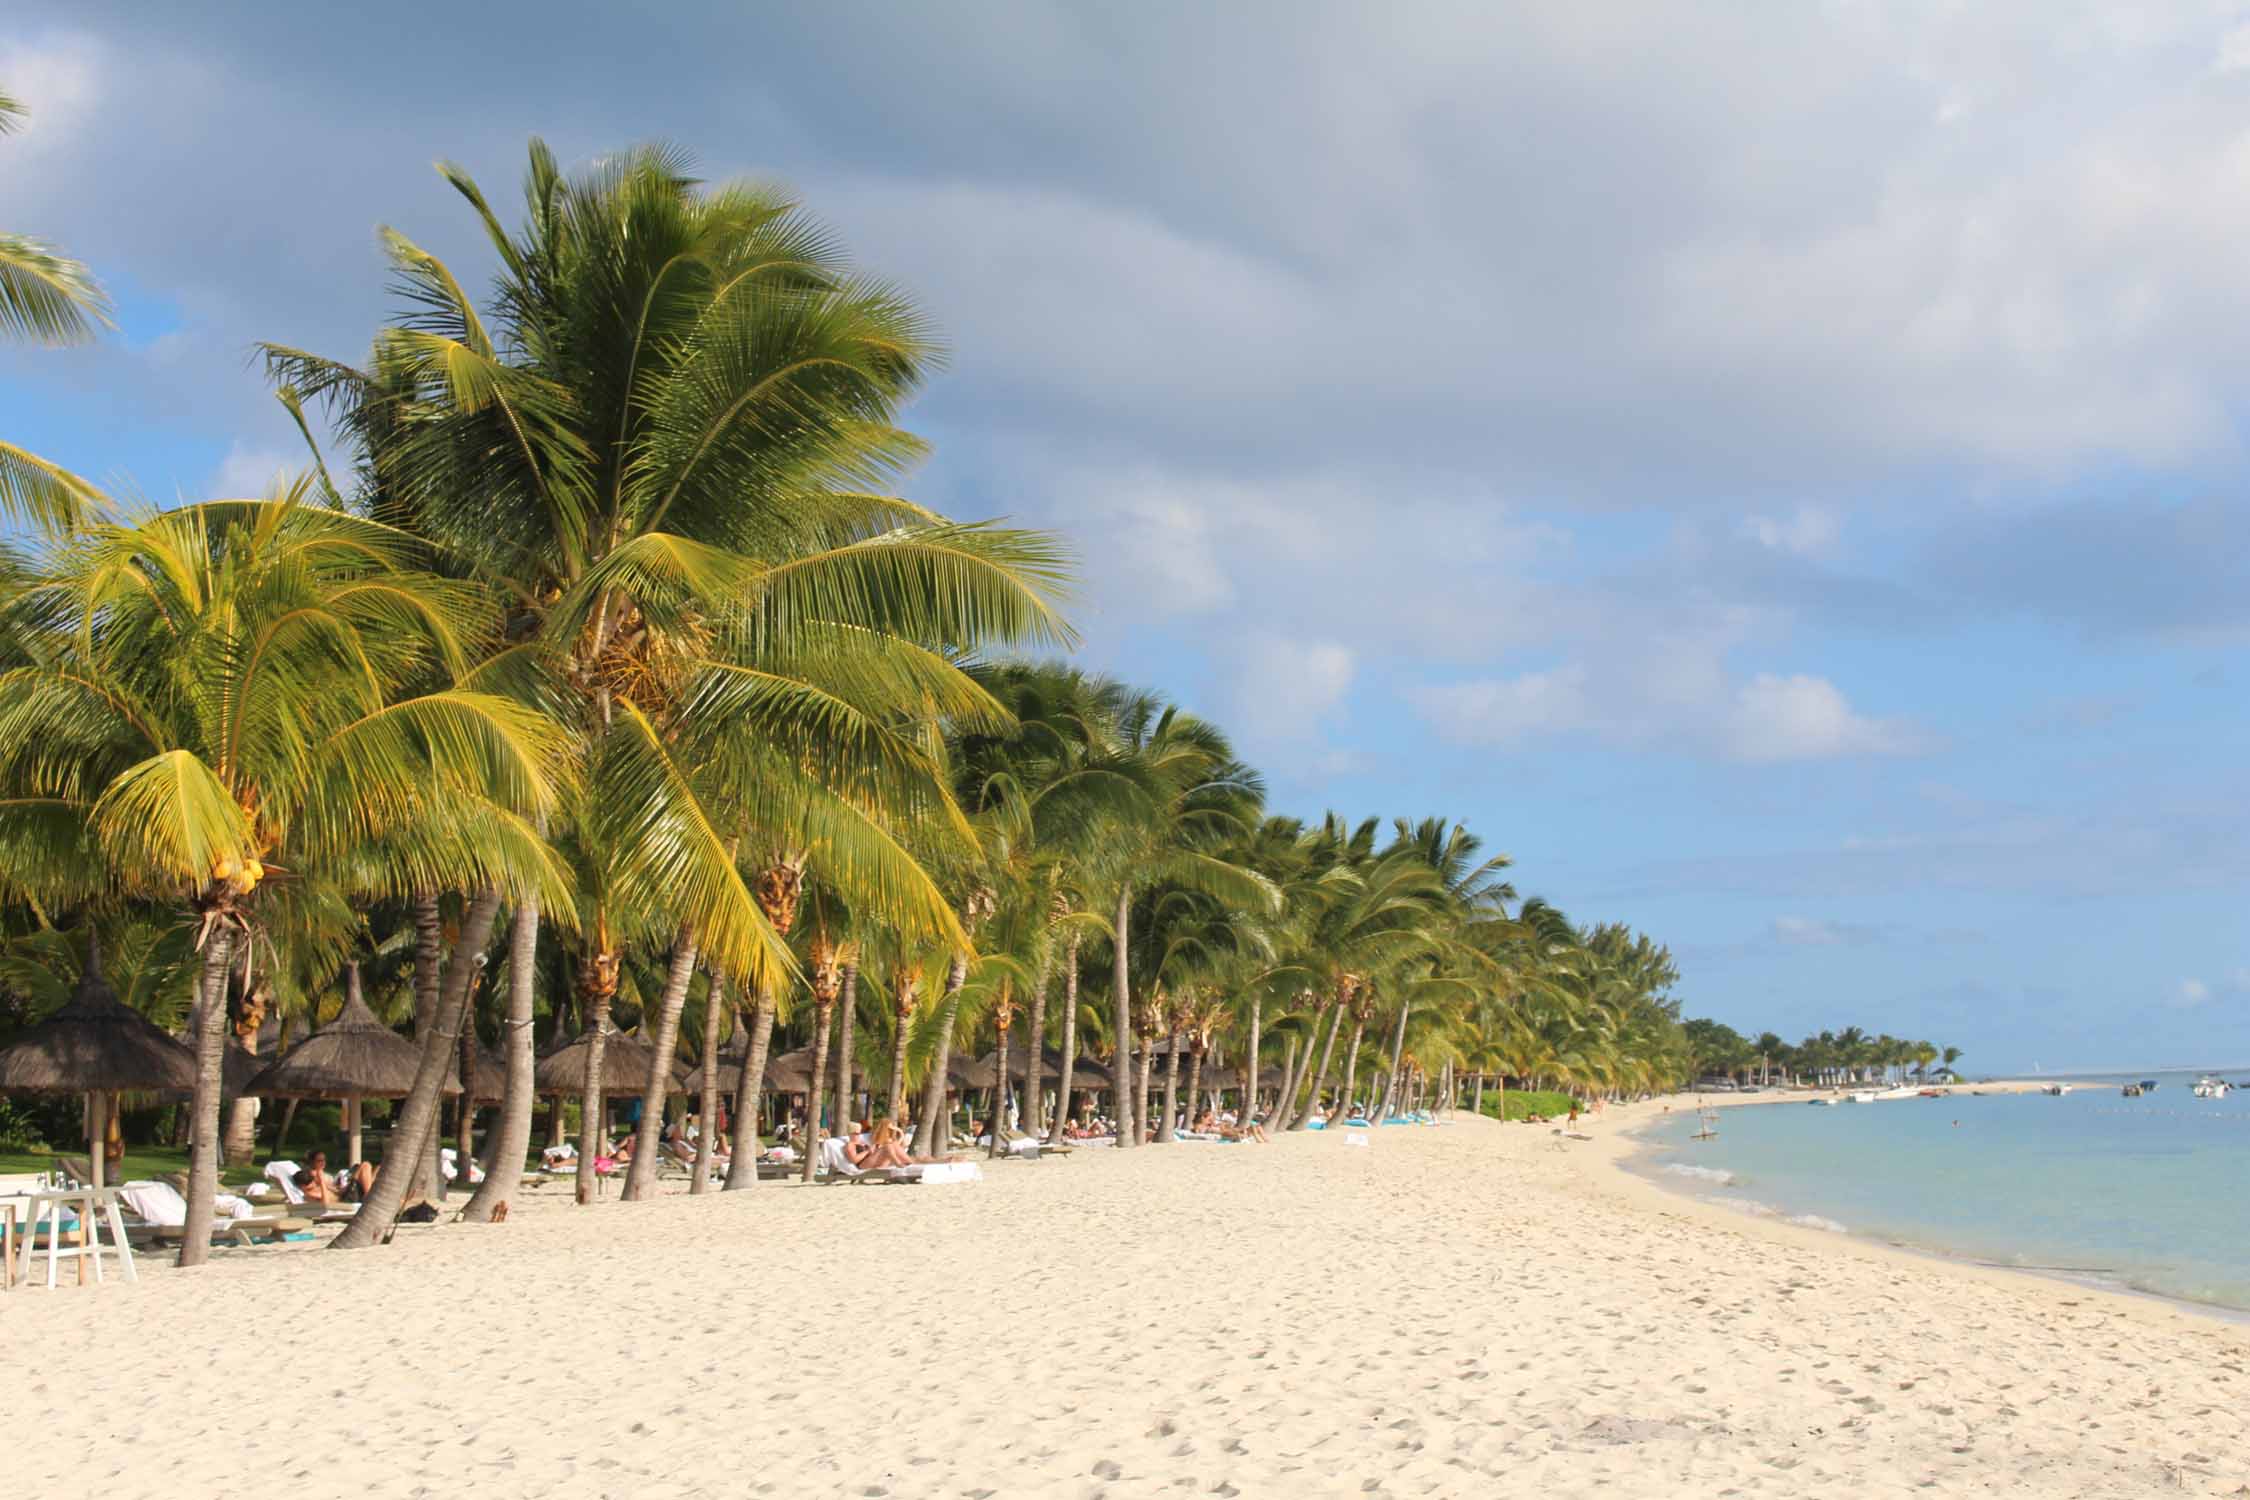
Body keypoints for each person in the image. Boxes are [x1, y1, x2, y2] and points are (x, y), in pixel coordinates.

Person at [296, 1150, 373, 1204]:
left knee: (377, 1168)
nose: (323, 1162)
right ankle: (369, 1197)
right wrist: (322, 1182)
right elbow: (326, 1202)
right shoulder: (311, 1189)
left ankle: (369, 1194)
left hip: (344, 1193)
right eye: (320, 1160)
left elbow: (332, 1190)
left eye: (324, 1160)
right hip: (346, 1199)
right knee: (366, 1165)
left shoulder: (315, 1178)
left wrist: (339, 1188)